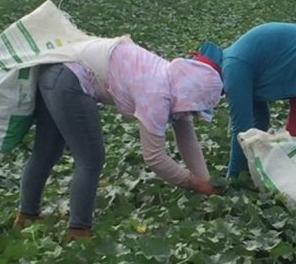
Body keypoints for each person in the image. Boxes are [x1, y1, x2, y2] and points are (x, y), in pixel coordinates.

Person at [13, 36, 223, 239]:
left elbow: (186, 134)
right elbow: (154, 157)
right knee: (91, 159)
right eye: (197, 108)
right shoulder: (157, 94)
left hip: (53, 70)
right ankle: (79, 231)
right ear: (191, 94)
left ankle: (26, 216)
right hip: (71, 78)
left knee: (47, 150)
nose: (193, 113)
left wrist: (204, 180)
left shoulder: (173, 79)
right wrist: (191, 183)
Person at [192, 22, 296, 177]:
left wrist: (233, 178)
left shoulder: (233, 69)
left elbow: (242, 129)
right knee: (295, 141)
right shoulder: (234, 64)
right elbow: (260, 117)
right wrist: (254, 159)